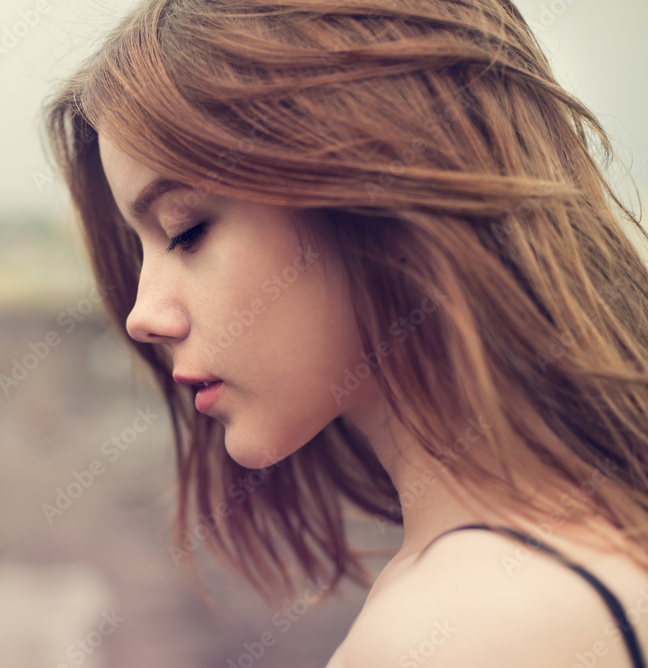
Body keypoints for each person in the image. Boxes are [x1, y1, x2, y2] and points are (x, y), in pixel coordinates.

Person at [42, 1, 648, 665]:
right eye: (143, 249)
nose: (142, 315)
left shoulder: (469, 626)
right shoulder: (561, 559)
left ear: (377, 187)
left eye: (185, 230)